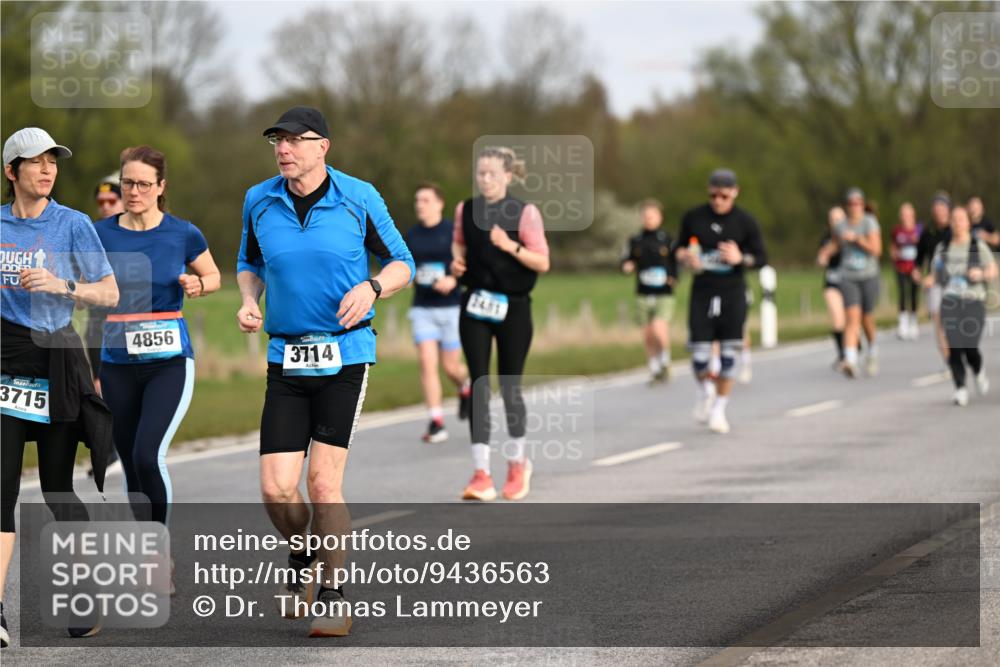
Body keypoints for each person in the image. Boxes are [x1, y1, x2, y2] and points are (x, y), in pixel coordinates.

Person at [236, 106, 414, 638]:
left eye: (295, 140)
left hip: (345, 355)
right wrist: (248, 300)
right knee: (276, 489)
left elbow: (403, 260)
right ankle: (301, 550)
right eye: (277, 140)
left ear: (322, 147)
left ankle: (334, 594)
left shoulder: (359, 196)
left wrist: (374, 287)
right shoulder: (258, 199)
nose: (284, 149)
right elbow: (249, 263)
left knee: (322, 482)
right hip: (285, 358)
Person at [1, 127, 119, 646]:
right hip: (4, 359)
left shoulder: (71, 225)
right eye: (35, 161)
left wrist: (62, 285)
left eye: (53, 161)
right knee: (0, 492)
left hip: (54, 359)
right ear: (11, 172)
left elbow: (110, 293)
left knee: (55, 487)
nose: (47, 169)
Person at [95, 146, 221, 533]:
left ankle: (159, 547)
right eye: (128, 183)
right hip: (117, 364)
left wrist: (198, 284)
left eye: (143, 184)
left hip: (168, 362)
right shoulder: (100, 234)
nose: (134, 191)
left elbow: (213, 276)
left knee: (149, 455)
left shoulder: (182, 233)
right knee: (132, 463)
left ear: (160, 186)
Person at [452, 146, 550, 501]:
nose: (485, 179)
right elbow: (459, 246)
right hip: (475, 304)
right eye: (481, 173)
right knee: (479, 384)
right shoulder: (466, 209)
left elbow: (542, 262)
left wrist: (510, 247)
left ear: (508, 175)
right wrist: (457, 266)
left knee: (509, 386)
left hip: (514, 307)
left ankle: (518, 463)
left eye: (492, 173)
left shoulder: (525, 213)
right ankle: (481, 473)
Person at [674, 168, 767, 434]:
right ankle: (706, 391)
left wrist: (741, 258)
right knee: (700, 356)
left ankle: (719, 410)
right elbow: (677, 248)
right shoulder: (694, 217)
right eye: (714, 194)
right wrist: (685, 257)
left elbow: (761, 258)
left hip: (733, 291)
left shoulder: (745, 222)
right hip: (702, 290)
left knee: (729, 355)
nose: (718, 200)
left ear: (734, 192)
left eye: (724, 195)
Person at [404, 182, 471, 443]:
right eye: (417, 201)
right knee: (426, 363)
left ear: (440, 204)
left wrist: (453, 281)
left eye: (426, 200)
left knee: (451, 367)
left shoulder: (453, 234)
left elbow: (466, 265)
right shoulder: (411, 235)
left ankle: (465, 387)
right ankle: (436, 421)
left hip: (451, 308)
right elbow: (406, 268)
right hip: (423, 309)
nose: (420, 205)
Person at [923, 206, 996, 406]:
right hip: (951, 300)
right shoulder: (943, 247)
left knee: (969, 345)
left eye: (961, 219)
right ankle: (960, 387)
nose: (957, 223)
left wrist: (981, 274)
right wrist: (930, 280)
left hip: (973, 299)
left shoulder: (976, 245)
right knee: (954, 345)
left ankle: (978, 370)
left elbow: (992, 269)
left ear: (968, 223)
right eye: (954, 219)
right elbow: (936, 273)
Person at [621, 198, 676, 384]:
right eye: (645, 216)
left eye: (652, 216)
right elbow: (625, 260)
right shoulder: (635, 240)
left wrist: (673, 277)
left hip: (663, 292)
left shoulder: (667, 239)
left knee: (659, 330)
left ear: (659, 217)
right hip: (643, 292)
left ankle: (665, 362)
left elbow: (675, 263)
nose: (648, 220)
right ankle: (654, 368)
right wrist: (626, 266)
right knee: (647, 334)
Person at [831, 188, 882, 378]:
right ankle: (850, 360)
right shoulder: (841, 226)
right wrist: (824, 253)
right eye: (851, 204)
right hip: (848, 276)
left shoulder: (870, 222)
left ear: (863, 204)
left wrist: (859, 240)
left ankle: (872, 348)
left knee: (866, 317)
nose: (855, 207)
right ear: (847, 206)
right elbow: (835, 245)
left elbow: (877, 250)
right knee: (852, 317)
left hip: (868, 275)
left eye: (858, 203)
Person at [85, 177, 125, 393]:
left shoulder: (142, 233)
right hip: (100, 327)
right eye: (101, 202)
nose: (106, 206)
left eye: (111, 200)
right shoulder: (90, 234)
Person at [914, 192, 953, 366]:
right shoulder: (927, 232)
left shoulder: (955, 231)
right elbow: (919, 257)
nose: (938, 210)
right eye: (936, 207)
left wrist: (934, 275)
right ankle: (949, 362)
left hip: (954, 281)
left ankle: (958, 357)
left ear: (948, 209)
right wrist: (916, 272)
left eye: (942, 206)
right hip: (934, 284)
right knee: (939, 324)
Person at [817, 207, 847, 368]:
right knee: (837, 320)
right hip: (832, 281)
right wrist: (823, 256)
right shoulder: (827, 239)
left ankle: (853, 346)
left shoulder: (851, 235)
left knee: (851, 319)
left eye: (839, 219)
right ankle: (842, 354)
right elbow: (821, 258)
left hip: (850, 281)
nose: (836, 223)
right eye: (833, 219)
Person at [890, 202, 922, 340]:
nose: (906, 216)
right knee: (903, 293)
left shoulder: (919, 229)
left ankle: (913, 322)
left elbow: (923, 248)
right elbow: (892, 246)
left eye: (908, 213)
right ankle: (902, 324)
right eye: (903, 214)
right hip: (901, 267)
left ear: (913, 214)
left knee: (914, 293)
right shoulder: (896, 230)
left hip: (915, 267)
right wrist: (894, 253)